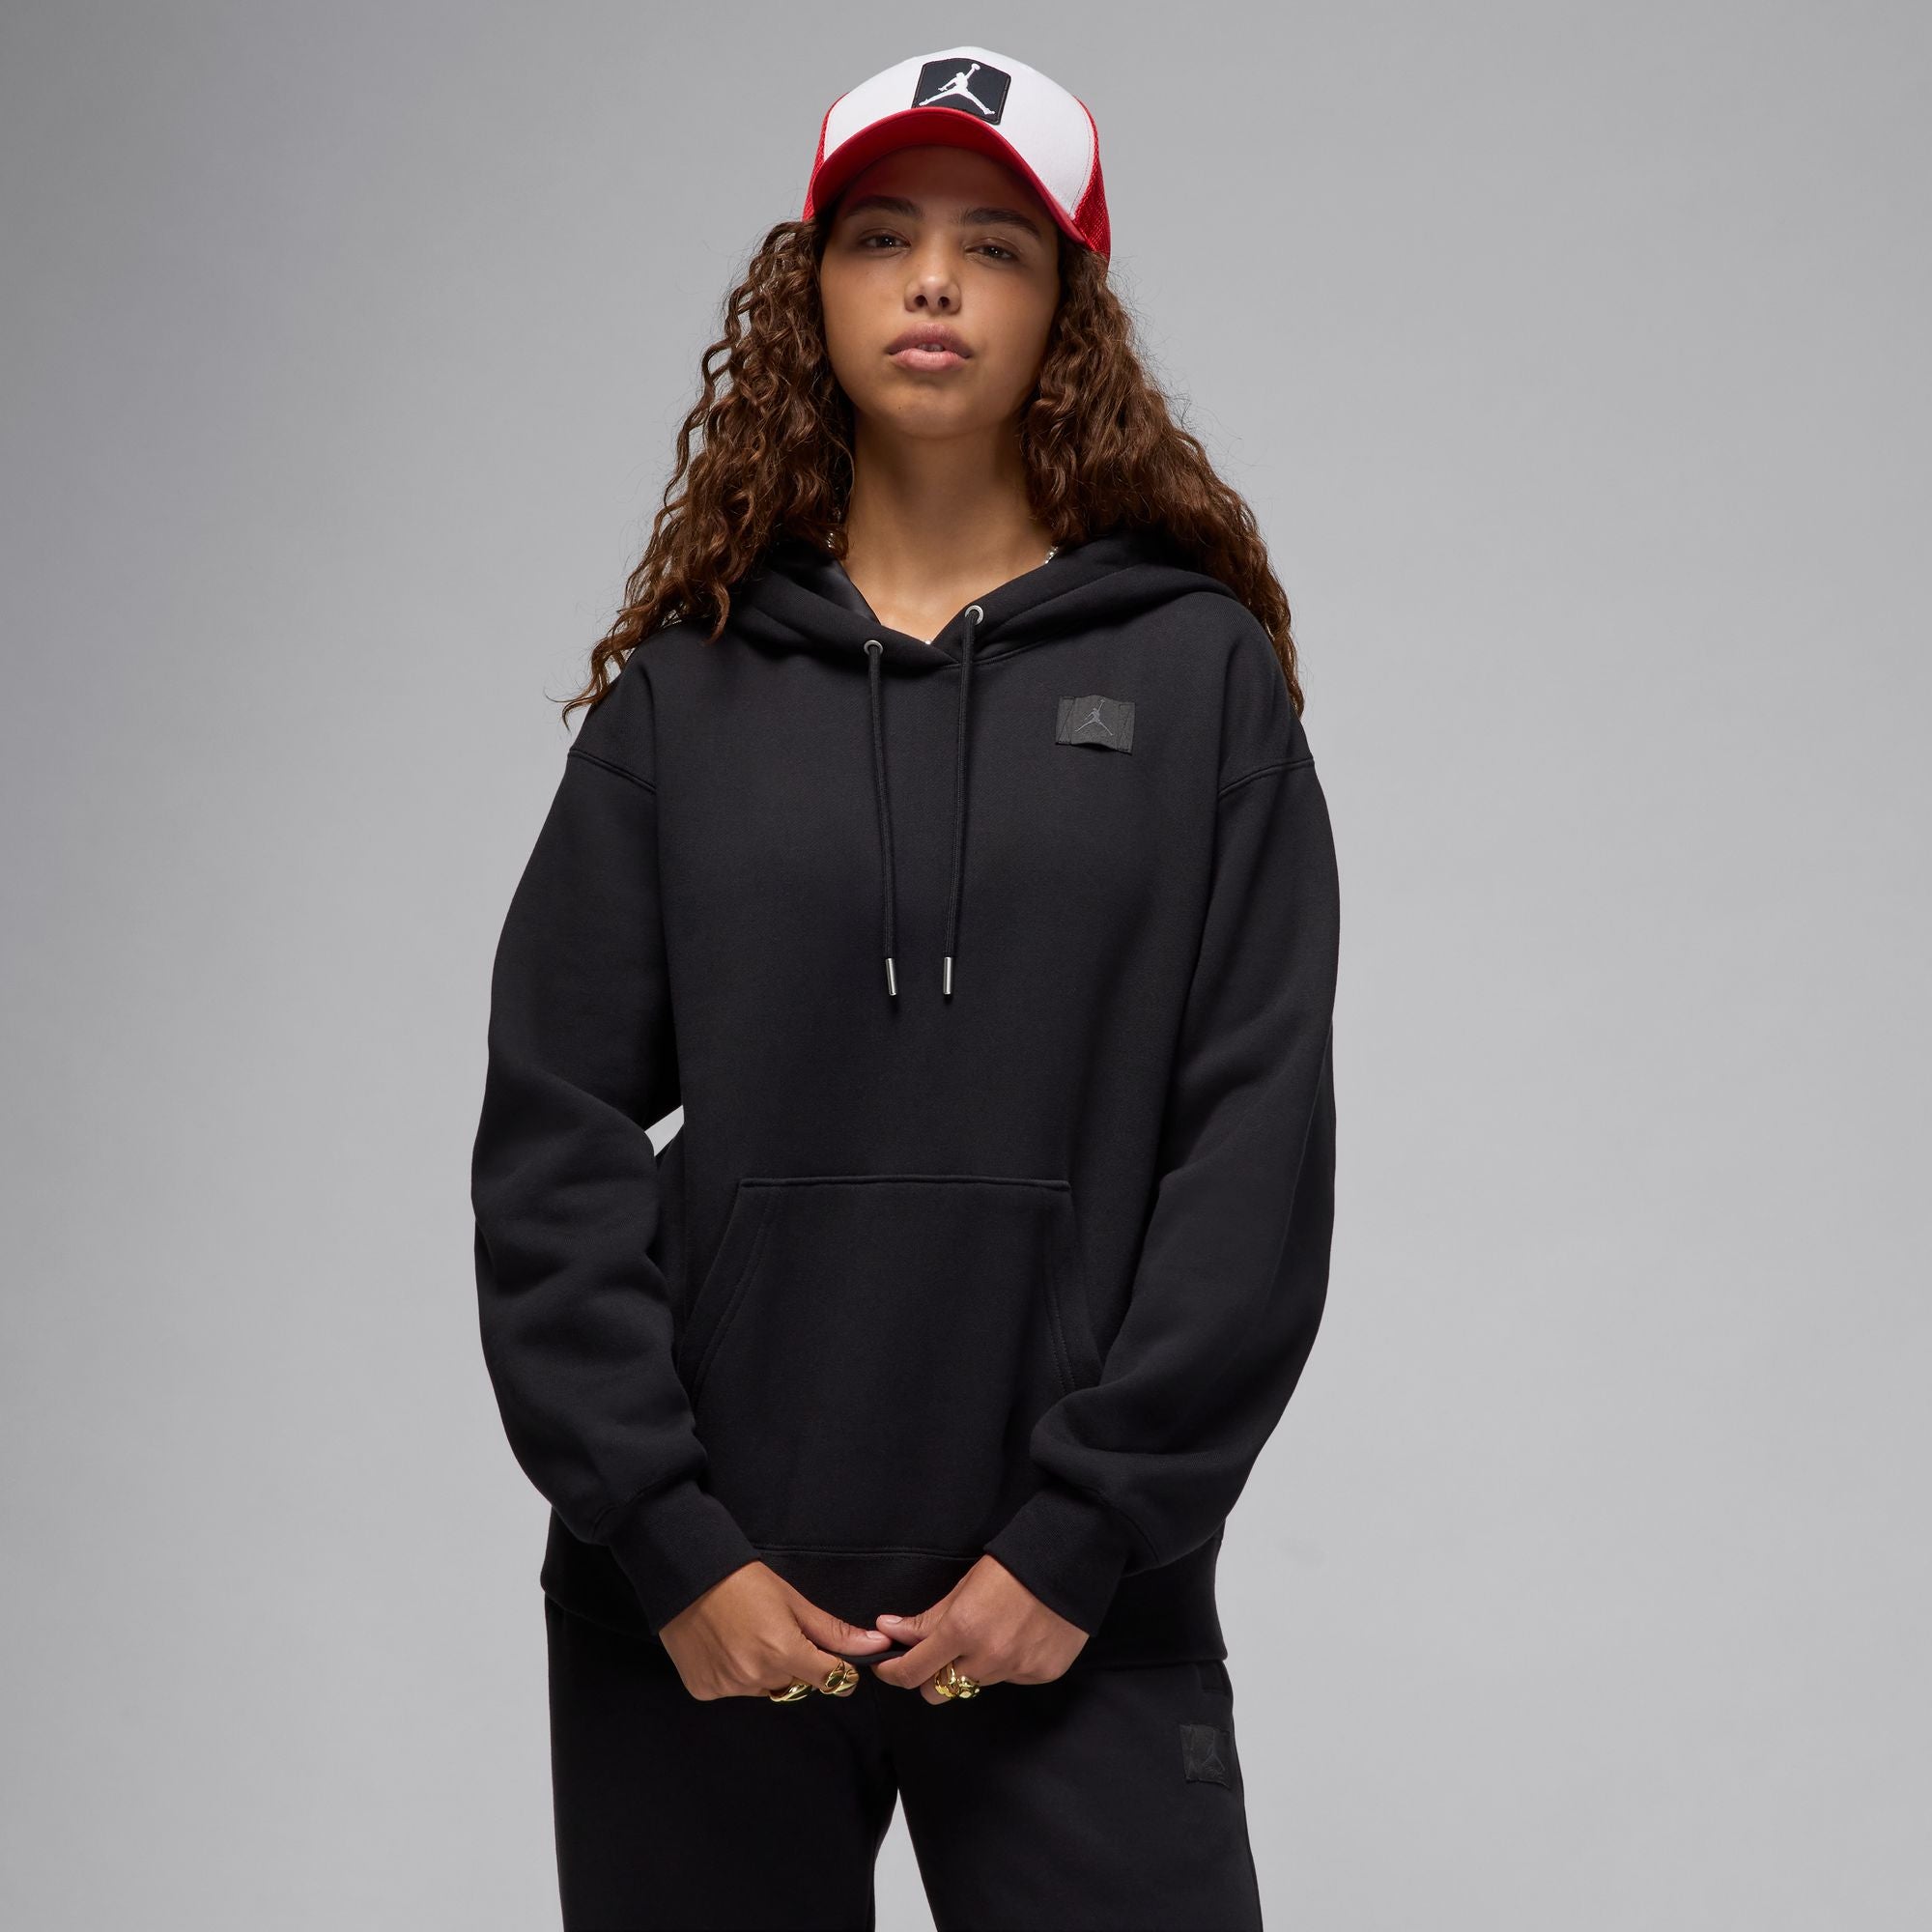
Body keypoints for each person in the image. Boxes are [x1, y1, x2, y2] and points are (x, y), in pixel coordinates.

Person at [470, 43, 1341, 1931]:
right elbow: (552, 1130)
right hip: (705, 1612)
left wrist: (1083, 1537)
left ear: (1066, 311)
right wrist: (670, 1540)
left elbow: (1254, 1145)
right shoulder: (686, 694)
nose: (932, 280)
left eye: (992, 245)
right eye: (881, 236)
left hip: (1072, 1606)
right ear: (815, 288)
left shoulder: (1196, 683)